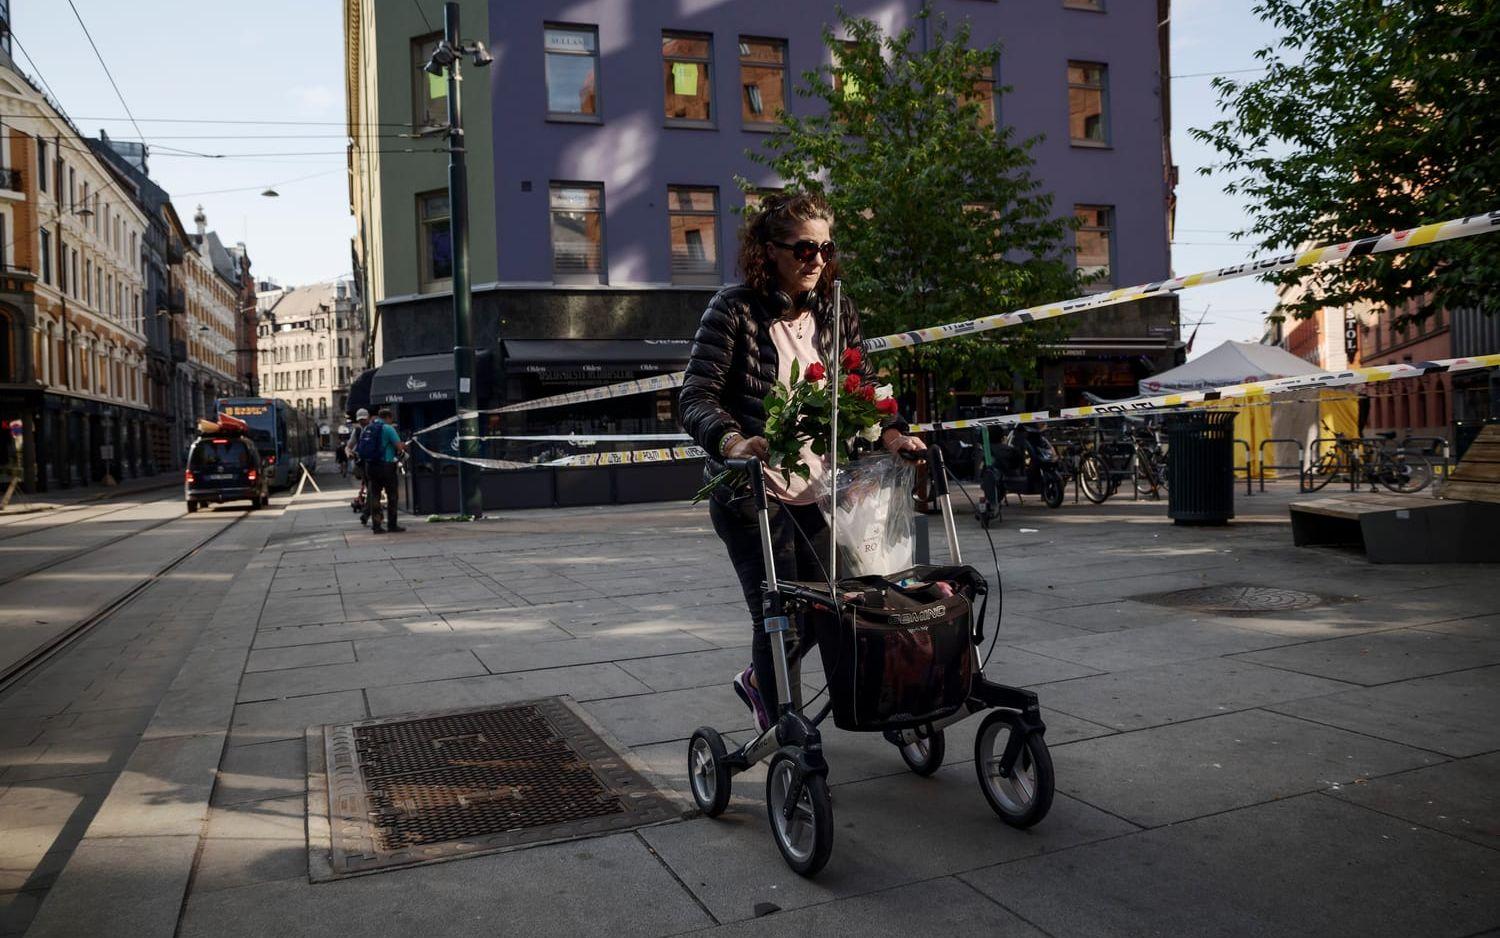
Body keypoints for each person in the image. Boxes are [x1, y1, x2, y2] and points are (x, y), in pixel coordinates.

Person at [679, 191, 924, 732]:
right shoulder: (734, 309)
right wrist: (733, 442)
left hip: (817, 491)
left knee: (832, 606)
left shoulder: (838, 309)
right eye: (803, 249)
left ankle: (757, 679)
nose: (816, 260)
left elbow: (862, 389)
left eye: (825, 248)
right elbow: (695, 396)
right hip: (752, 497)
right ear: (769, 251)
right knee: (779, 621)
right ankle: (779, 723)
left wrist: (893, 435)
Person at [363, 407, 406, 534]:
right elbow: (399, 447)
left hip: (370, 466)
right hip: (386, 465)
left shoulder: (368, 428)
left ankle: (376, 526)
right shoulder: (388, 428)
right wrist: (404, 445)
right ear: (388, 417)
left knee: (375, 496)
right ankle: (392, 525)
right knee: (392, 496)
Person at [349, 408, 371, 523]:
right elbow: (348, 446)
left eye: (363, 419)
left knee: (373, 491)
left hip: (372, 464)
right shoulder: (357, 431)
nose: (362, 422)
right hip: (364, 465)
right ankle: (369, 514)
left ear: (368, 417)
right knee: (372, 490)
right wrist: (349, 452)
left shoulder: (373, 429)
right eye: (360, 420)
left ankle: (368, 513)